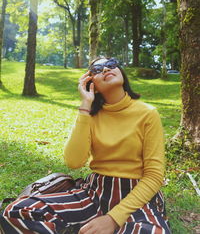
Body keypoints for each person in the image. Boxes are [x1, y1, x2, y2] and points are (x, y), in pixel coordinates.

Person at [0, 57, 171, 234]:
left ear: (121, 72)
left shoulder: (147, 114)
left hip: (137, 196)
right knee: (17, 212)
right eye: (97, 69)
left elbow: (154, 176)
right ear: (90, 83)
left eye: (111, 64)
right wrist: (85, 106)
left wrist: (113, 219)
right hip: (95, 192)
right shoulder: (89, 115)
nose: (106, 69)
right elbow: (73, 161)